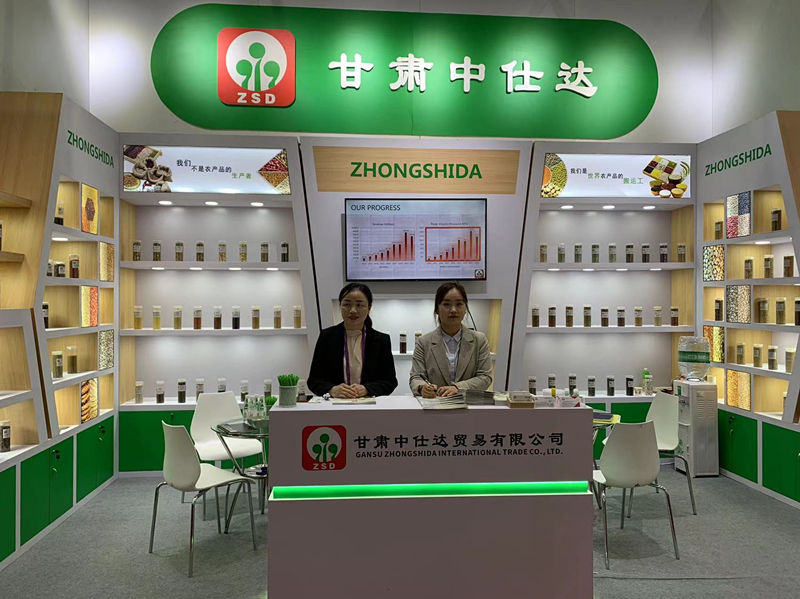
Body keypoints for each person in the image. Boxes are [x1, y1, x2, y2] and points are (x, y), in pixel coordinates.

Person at [308, 283, 397, 398]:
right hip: (335, 404)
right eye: (347, 304)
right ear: (340, 306)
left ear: (369, 308)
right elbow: (314, 380)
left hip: (369, 404)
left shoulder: (381, 340)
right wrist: (332, 389)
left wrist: (367, 389)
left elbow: (390, 382)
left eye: (359, 305)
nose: (353, 310)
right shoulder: (327, 337)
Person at [409, 282, 492, 397]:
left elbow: (485, 377)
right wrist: (422, 387)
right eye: (447, 304)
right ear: (437, 309)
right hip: (435, 403)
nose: (453, 310)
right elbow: (416, 376)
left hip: (468, 403)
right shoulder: (423, 342)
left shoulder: (479, 340)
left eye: (459, 304)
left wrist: (457, 388)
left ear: (465, 308)